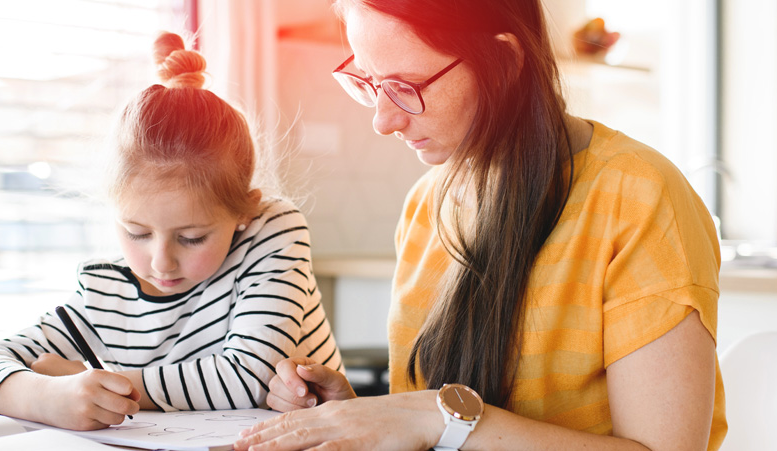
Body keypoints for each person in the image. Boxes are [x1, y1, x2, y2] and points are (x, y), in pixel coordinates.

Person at [235, 0, 726, 450]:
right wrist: (362, 418)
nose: (383, 121)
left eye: (405, 87)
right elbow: (434, 429)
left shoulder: (638, 195)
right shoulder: (426, 206)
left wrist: (441, 417)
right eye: (369, 84)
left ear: (504, 63)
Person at [0, 32, 342, 431]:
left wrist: (103, 385)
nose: (161, 261)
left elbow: (250, 376)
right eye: (136, 233)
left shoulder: (271, 231)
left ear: (244, 210)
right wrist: (48, 395)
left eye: (192, 237)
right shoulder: (106, 288)